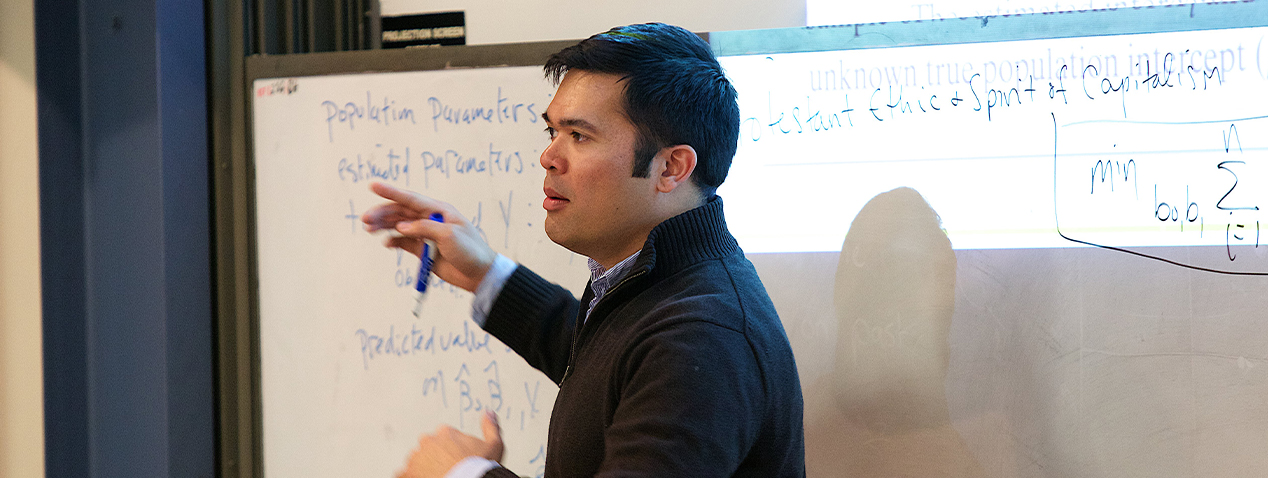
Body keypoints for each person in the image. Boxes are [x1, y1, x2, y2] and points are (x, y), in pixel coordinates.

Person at [362, 22, 804, 478]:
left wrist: (462, 473)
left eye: (579, 136)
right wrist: (484, 273)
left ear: (671, 166)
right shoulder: (663, 285)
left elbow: (651, 357)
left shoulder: (704, 335)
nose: (549, 156)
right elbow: (606, 363)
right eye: (552, 131)